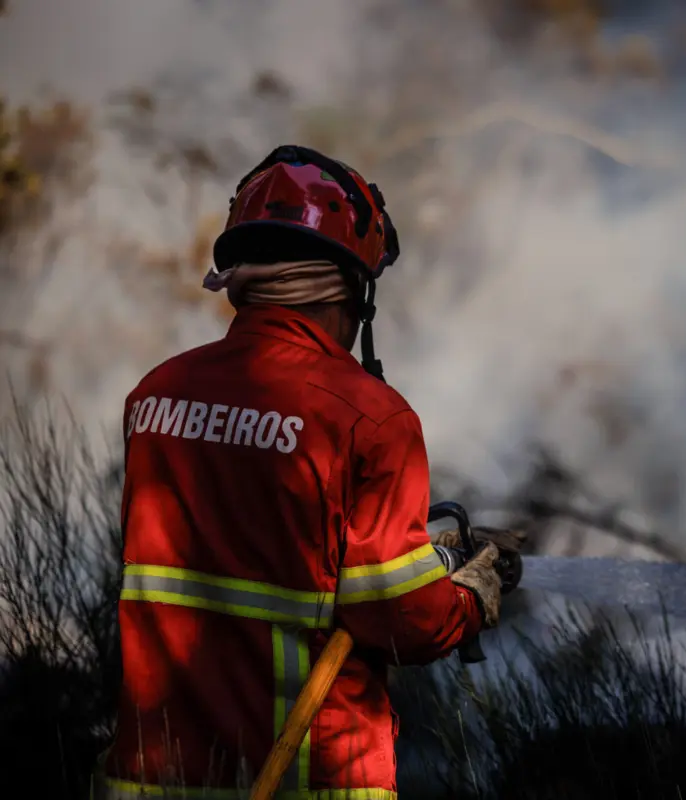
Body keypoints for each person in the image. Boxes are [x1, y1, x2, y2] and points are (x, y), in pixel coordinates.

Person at [94, 146, 520, 799]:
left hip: (148, 779)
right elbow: (397, 617)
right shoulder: (368, 419)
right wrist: (471, 596)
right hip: (303, 779)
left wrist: (421, 557)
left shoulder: (156, 397)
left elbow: (260, 549)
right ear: (351, 288)